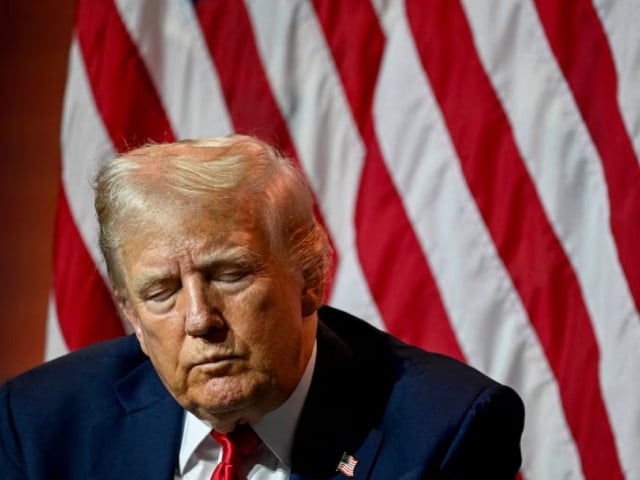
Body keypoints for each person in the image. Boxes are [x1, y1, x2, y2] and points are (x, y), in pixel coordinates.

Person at [0, 135, 524, 479]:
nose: (200, 318)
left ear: (310, 279)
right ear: (131, 315)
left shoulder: (446, 430)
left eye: (230, 275)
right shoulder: (41, 425)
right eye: (161, 292)